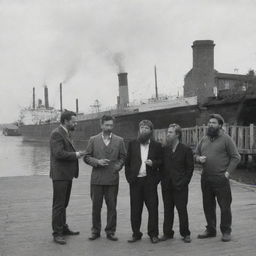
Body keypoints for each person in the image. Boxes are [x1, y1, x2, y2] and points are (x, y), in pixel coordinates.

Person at [195, 114, 241, 242]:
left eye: (214, 123)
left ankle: (226, 231)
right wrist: (198, 159)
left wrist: (227, 173)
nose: (210, 125)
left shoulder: (226, 139)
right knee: (208, 206)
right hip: (206, 178)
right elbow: (196, 153)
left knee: (225, 206)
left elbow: (236, 157)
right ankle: (210, 229)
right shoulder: (204, 139)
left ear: (220, 125)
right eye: (209, 122)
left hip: (221, 179)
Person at [84, 115, 126, 241]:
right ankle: (95, 231)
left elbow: (123, 157)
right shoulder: (93, 140)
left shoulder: (119, 140)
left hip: (112, 179)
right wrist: (97, 161)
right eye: (106, 125)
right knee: (96, 206)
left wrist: (117, 167)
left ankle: (110, 231)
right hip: (97, 179)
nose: (109, 128)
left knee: (112, 206)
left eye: (111, 125)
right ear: (101, 125)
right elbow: (86, 157)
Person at [50, 110, 86, 245]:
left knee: (64, 204)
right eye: (73, 121)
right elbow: (58, 153)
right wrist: (76, 154)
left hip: (66, 175)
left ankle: (63, 228)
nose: (76, 123)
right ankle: (57, 233)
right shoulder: (56, 134)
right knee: (59, 205)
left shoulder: (66, 133)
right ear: (65, 121)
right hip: (60, 175)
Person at [125, 120, 162, 244]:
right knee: (135, 209)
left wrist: (154, 164)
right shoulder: (132, 144)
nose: (144, 130)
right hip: (135, 182)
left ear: (151, 131)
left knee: (153, 209)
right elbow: (127, 163)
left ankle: (153, 234)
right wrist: (130, 179)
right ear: (139, 130)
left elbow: (161, 162)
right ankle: (136, 233)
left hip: (150, 181)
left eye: (146, 128)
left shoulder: (156, 145)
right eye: (142, 127)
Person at [160, 124, 194, 243]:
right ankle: (167, 233)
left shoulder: (186, 150)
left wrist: (184, 182)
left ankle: (185, 233)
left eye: (170, 132)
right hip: (167, 186)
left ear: (177, 134)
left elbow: (190, 169)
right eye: (168, 132)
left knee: (182, 210)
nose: (168, 134)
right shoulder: (165, 149)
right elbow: (161, 166)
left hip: (181, 186)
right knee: (167, 210)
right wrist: (162, 180)